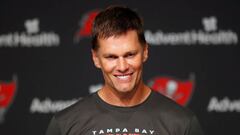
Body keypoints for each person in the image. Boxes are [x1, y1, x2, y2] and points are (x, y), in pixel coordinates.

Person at [46, 5, 204, 135]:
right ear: (95, 58)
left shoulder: (182, 123)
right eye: (111, 57)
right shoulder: (65, 125)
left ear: (145, 52)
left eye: (130, 55)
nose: (122, 67)